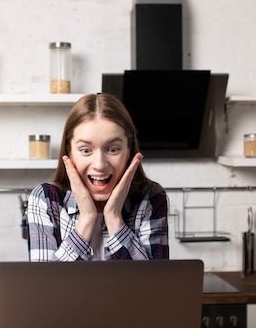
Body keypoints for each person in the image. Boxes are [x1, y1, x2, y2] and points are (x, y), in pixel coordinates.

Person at [27, 93, 169, 261]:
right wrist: (87, 218)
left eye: (113, 149)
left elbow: (154, 284)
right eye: (86, 150)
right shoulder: (46, 199)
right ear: (69, 151)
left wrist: (114, 217)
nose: (100, 164)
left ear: (129, 150)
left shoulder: (150, 198)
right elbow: (45, 285)